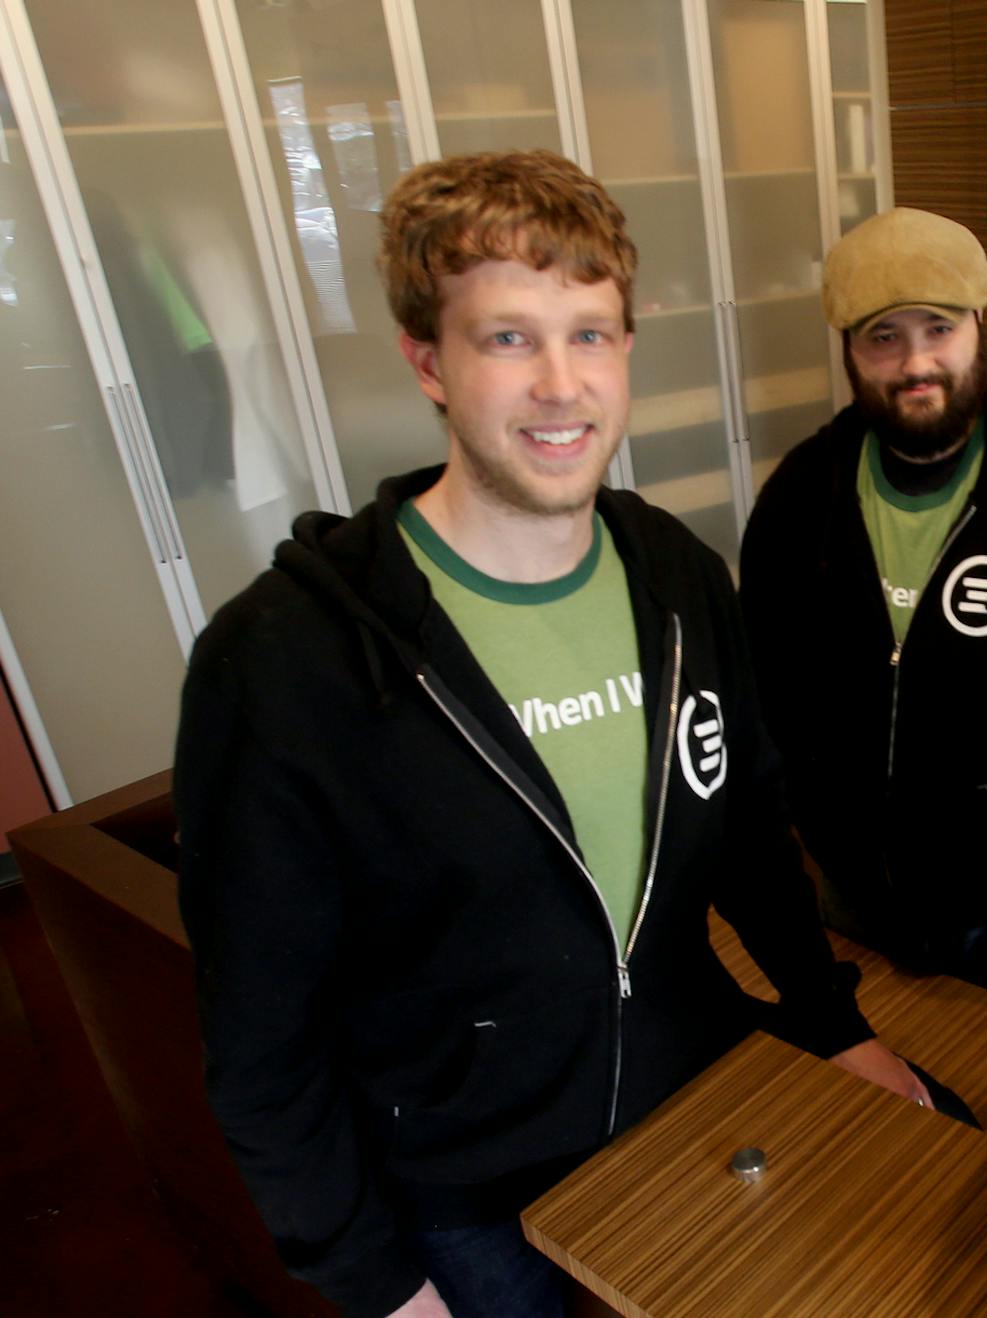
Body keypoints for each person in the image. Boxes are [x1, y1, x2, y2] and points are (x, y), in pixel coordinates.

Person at [174, 150, 927, 1318]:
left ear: (626, 347)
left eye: (589, 334)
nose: (561, 386)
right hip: (466, 1186)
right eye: (508, 338)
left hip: (689, 1098)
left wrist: (833, 1024)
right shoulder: (283, 660)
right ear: (429, 361)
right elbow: (261, 1036)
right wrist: (376, 1282)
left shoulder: (676, 575)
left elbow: (748, 834)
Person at [739, 207, 987, 1014]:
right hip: (857, 888)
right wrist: (822, 828)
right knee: (875, 1069)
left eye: (938, 328)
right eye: (883, 337)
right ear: (848, 349)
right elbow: (767, 683)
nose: (916, 362)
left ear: (978, 325)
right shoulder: (801, 495)